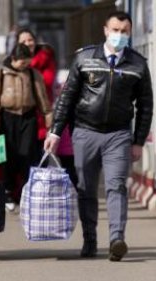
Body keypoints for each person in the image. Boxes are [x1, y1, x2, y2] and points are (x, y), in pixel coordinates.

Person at [44, 11, 153, 261]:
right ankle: (90, 240)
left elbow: (146, 105)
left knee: (116, 186)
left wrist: (138, 141)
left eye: (125, 31)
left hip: (118, 135)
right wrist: (55, 132)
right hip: (85, 132)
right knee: (86, 189)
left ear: (130, 32)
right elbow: (67, 98)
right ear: (105, 30)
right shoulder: (84, 58)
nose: (119, 35)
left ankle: (117, 239)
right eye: (115, 30)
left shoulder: (137, 64)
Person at [0, 43, 52, 210]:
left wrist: (50, 124)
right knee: (7, 156)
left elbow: (43, 101)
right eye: (21, 63)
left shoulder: (32, 74)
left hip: (28, 117)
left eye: (27, 62)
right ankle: (7, 191)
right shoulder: (0, 74)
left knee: (27, 154)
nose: (24, 66)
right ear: (13, 59)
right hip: (7, 118)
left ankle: (26, 190)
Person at [17, 28, 77, 187]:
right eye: (23, 41)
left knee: (47, 155)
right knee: (24, 157)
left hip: (46, 114)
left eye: (30, 40)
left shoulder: (45, 58)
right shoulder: (14, 64)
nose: (28, 43)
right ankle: (26, 192)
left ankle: (45, 192)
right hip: (22, 118)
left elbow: (49, 85)